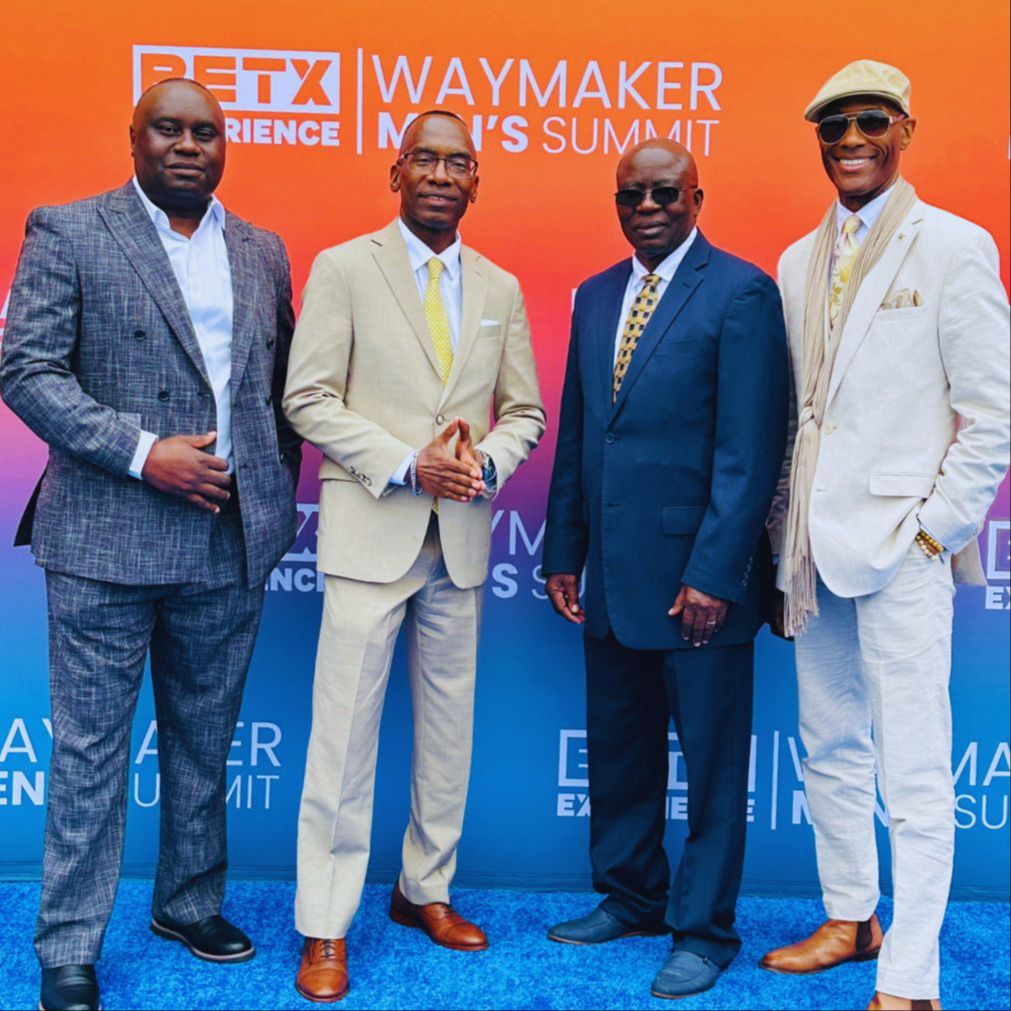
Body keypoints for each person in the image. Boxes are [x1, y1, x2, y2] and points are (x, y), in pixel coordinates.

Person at [0, 78, 301, 1011]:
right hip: (107, 536)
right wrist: (142, 453)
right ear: (133, 140)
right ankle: (69, 944)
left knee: (204, 741)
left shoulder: (261, 249)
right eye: (166, 129)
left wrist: (270, 494)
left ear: (225, 146)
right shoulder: (70, 229)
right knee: (91, 749)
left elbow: (278, 385)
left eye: (205, 132)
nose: (187, 146)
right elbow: (25, 368)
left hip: (225, 536)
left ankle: (187, 901)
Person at [761, 60, 1010, 1011]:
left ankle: (911, 975)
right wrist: (783, 525)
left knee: (910, 763)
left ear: (903, 127)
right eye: (832, 125)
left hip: (903, 545)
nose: (849, 139)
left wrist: (934, 531)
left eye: (868, 121)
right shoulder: (794, 260)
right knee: (828, 743)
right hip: (809, 551)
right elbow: (796, 409)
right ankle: (849, 914)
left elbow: (990, 412)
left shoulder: (954, 246)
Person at [282, 109, 545, 1003]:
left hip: (459, 546)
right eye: (424, 159)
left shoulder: (501, 289)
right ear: (395, 173)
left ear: (477, 181)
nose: (441, 173)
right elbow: (307, 397)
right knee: (343, 742)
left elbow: (525, 414)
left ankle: (422, 889)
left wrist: (486, 464)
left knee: (446, 738)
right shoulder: (344, 269)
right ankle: (324, 923)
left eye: (458, 162)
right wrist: (405, 461)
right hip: (369, 539)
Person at [541, 139, 788, 1000]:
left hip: (698, 581)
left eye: (663, 192)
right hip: (608, 573)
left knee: (712, 764)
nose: (645, 206)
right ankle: (630, 895)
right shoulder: (597, 294)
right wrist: (562, 549)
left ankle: (704, 929)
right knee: (618, 750)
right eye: (629, 195)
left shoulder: (742, 292)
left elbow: (749, 449)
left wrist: (716, 573)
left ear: (696, 196)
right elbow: (581, 431)